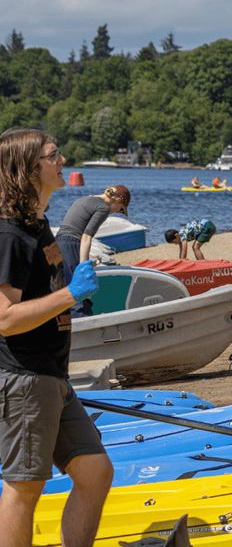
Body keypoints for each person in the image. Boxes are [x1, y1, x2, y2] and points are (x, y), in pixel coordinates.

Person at [0, 128, 113, 546]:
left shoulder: (37, 224)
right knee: (24, 487)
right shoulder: (10, 234)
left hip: (52, 376)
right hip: (24, 377)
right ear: (30, 169)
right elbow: (6, 319)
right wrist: (70, 293)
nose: (62, 160)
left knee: (95, 472)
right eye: (54, 155)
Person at [55, 184, 131, 317]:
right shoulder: (103, 208)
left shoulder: (85, 199)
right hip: (72, 242)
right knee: (80, 289)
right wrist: (84, 268)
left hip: (58, 242)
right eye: (121, 210)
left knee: (63, 288)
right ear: (118, 200)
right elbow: (86, 237)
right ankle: (84, 324)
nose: (117, 212)